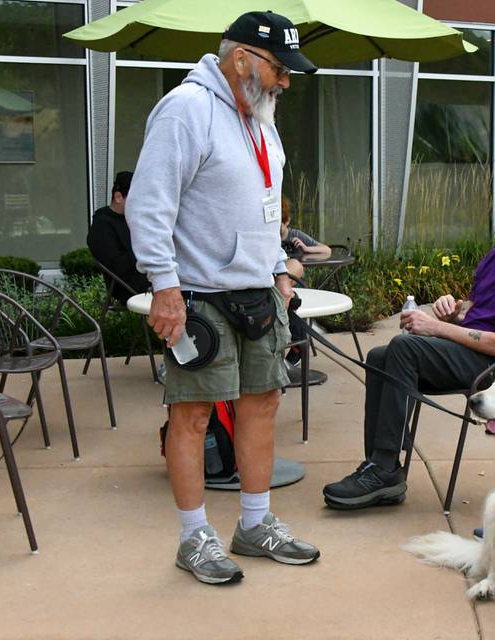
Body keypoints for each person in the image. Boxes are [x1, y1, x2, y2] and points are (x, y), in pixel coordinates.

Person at [125, 11, 320, 585]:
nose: (286, 82)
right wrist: (165, 288)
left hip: (259, 292)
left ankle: (254, 525)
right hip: (199, 298)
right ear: (241, 59)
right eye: (279, 70)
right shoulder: (187, 109)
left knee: (262, 405)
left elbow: (262, 206)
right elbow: (148, 205)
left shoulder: (260, 116)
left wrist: (281, 275)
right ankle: (194, 537)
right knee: (192, 416)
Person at [322, 176, 495, 510]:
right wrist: (454, 311)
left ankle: (385, 467)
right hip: (469, 352)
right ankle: (381, 468)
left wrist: (435, 328)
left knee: (405, 348)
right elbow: (480, 313)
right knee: (380, 356)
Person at [87, 171, 150, 304]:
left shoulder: (134, 219)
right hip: (127, 286)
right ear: (118, 197)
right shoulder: (102, 226)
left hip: (148, 276)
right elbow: (115, 266)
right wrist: (144, 250)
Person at [280, 196, 330, 280]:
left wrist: (306, 248)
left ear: (287, 221)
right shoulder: (269, 237)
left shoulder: (295, 235)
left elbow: (327, 250)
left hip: (295, 278)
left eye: (279, 224)